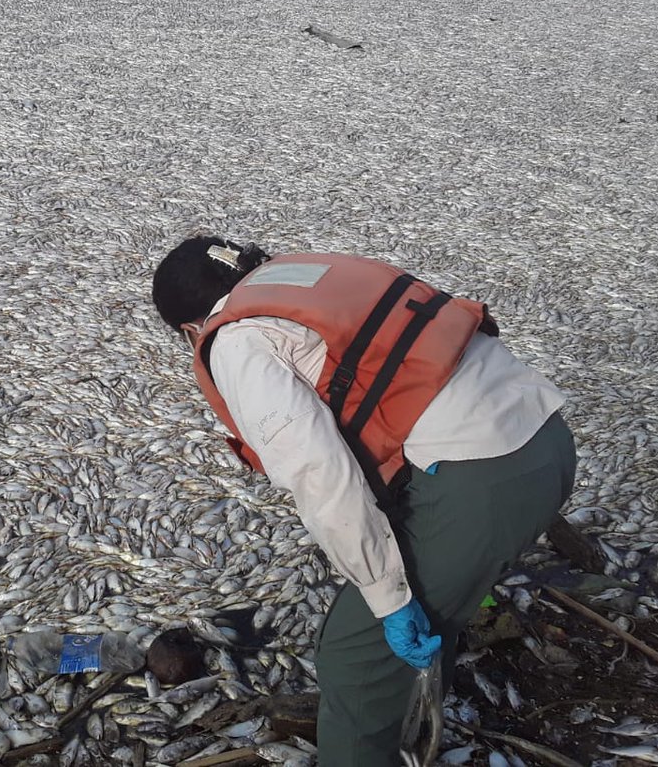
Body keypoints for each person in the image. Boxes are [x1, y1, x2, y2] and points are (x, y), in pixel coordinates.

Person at [150, 236, 576, 766]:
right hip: (547, 439)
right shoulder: (309, 273)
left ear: (191, 329)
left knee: (355, 656)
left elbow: (322, 474)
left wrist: (387, 596)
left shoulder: (236, 340)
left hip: (488, 479)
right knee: (420, 610)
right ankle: (409, 719)